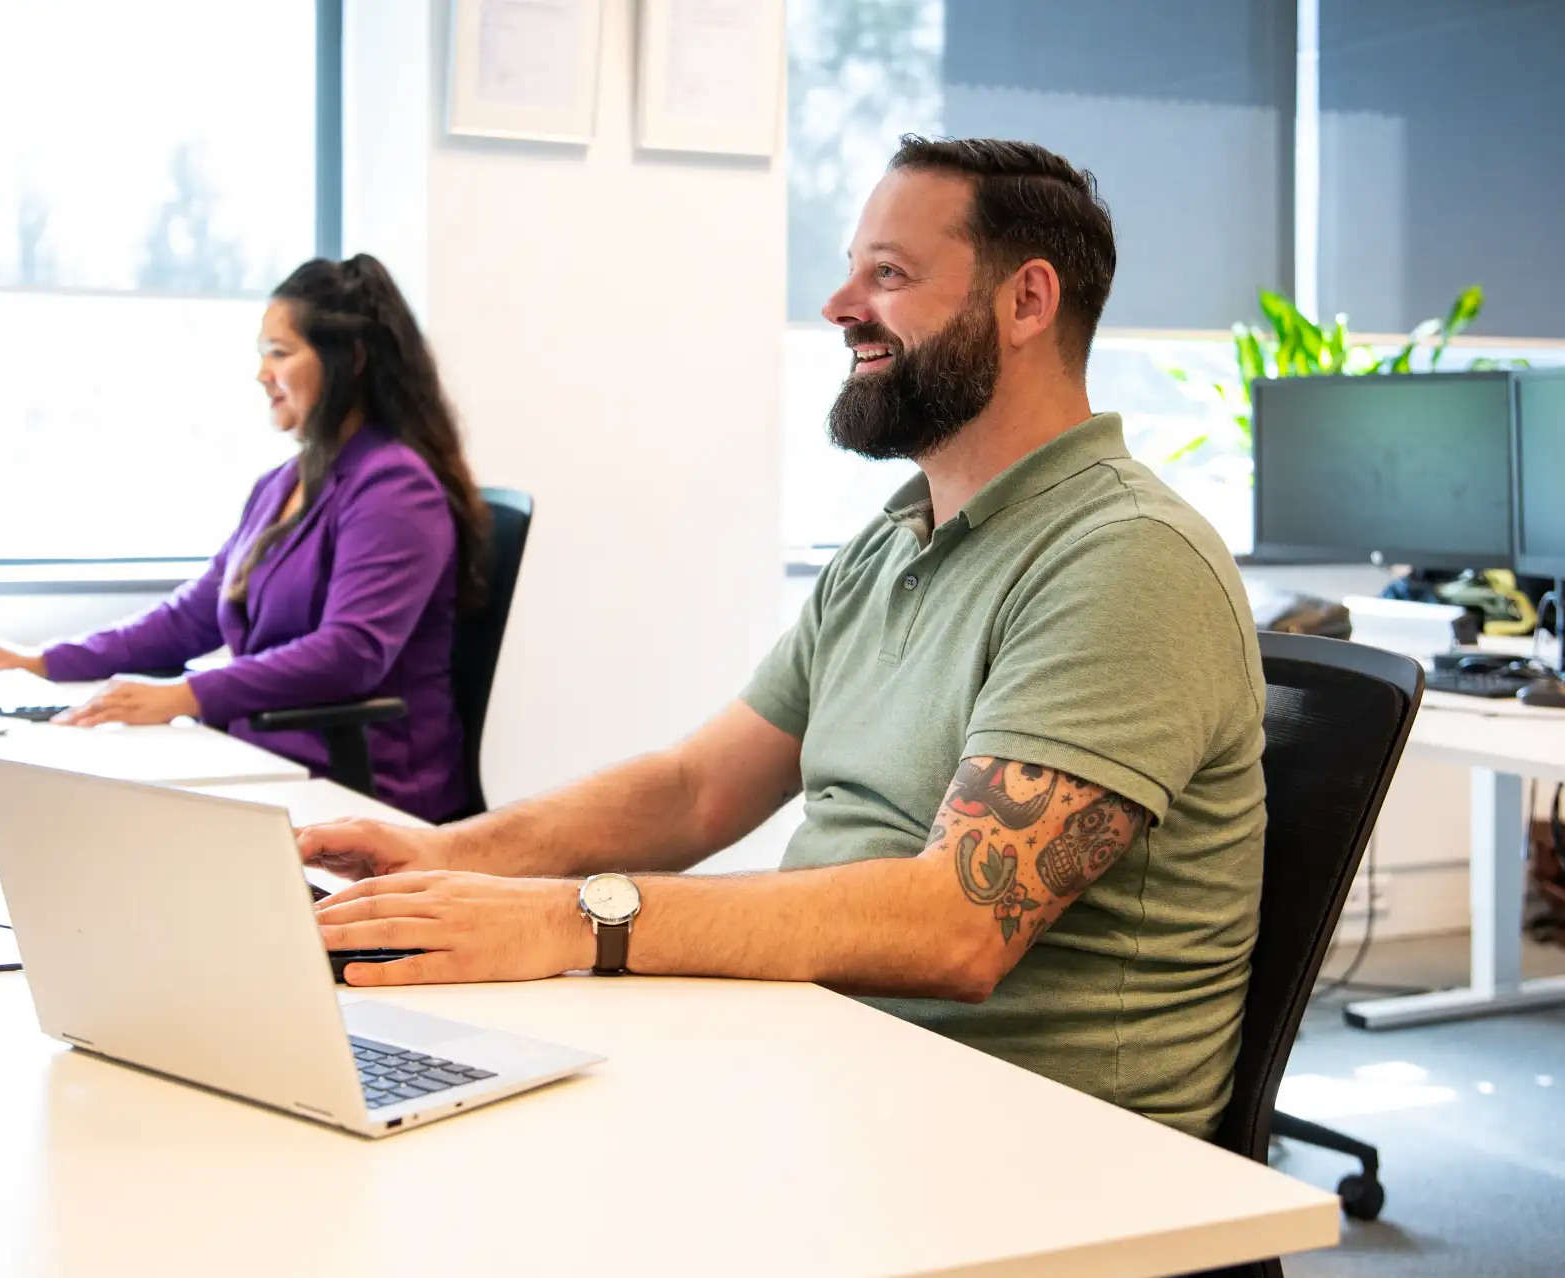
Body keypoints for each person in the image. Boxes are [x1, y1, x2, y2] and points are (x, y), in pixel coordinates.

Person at [297, 138, 1267, 1141]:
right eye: (851, 269)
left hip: (1030, 1140)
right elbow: (696, 788)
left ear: (1027, 301)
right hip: (830, 1058)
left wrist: (567, 919)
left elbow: (957, 925)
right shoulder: (894, 545)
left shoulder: (1125, 559)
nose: (840, 305)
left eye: (887, 274)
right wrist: (449, 855)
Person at [0, 255, 488, 822]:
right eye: (262, 354)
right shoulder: (283, 485)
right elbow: (194, 616)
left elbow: (349, 653)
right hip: (265, 758)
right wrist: (45, 662)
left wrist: (189, 694)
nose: (262, 374)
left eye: (280, 352)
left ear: (349, 360)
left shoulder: (394, 487)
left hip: (361, 793)